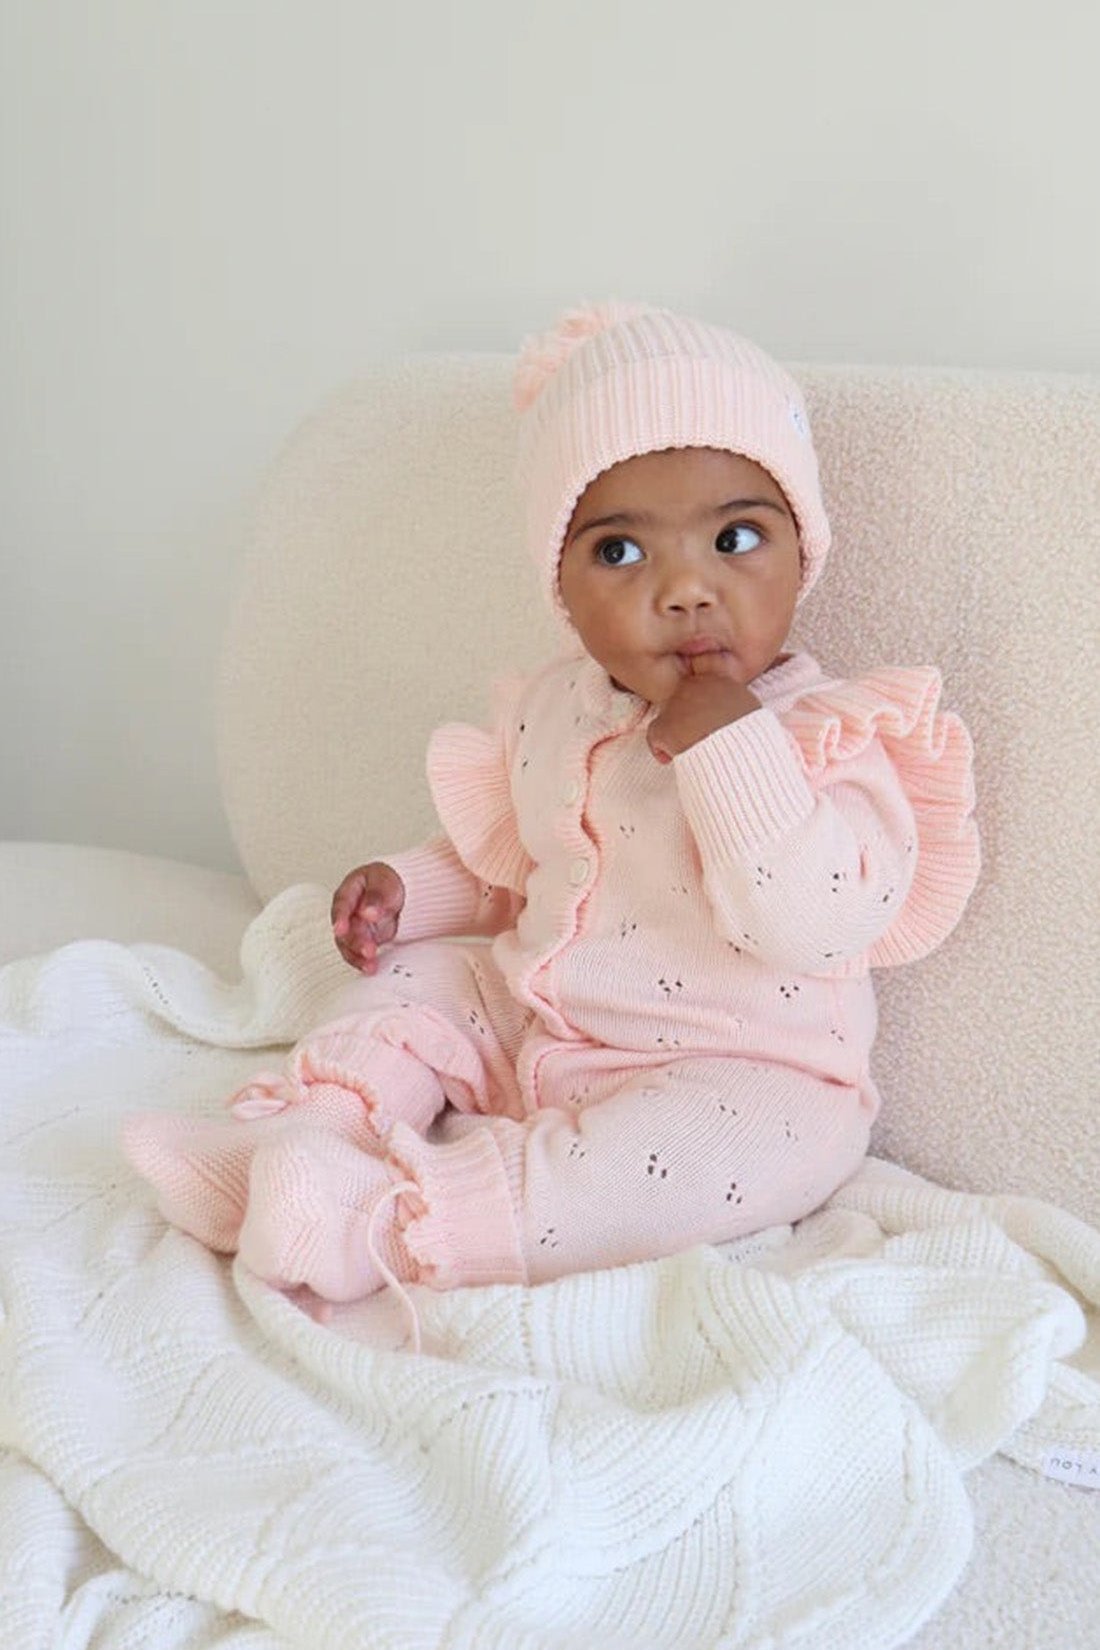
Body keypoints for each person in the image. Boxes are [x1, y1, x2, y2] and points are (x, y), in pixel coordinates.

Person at [124, 301, 980, 1324]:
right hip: (541, 1021)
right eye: (621, 554)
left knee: (708, 1157)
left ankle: (383, 1223)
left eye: (735, 538)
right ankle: (308, 1136)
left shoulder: (825, 735)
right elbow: (516, 869)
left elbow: (814, 923)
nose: (684, 591)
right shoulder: (554, 711)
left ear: (804, 553)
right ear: (561, 591)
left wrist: (729, 747)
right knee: (422, 981)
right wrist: (412, 889)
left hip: (741, 1071)